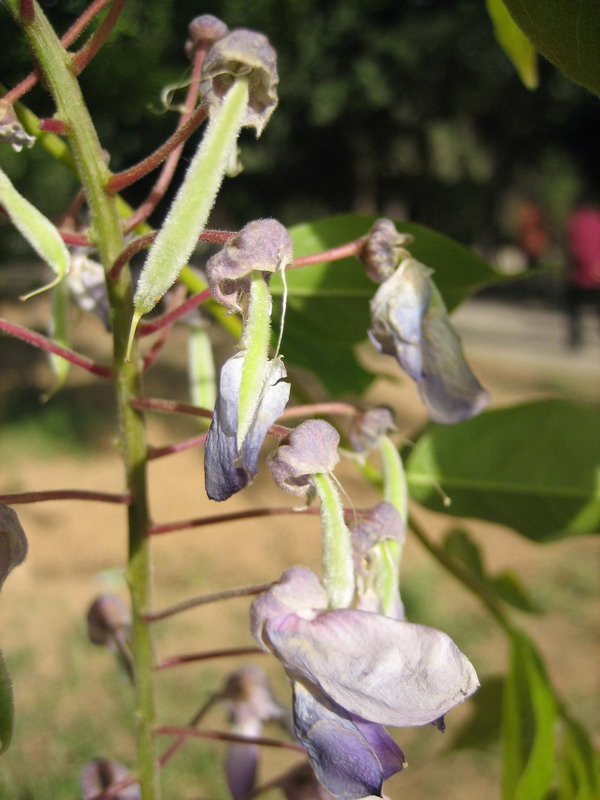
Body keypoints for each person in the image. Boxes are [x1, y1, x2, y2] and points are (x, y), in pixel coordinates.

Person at [565, 205, 600, 348]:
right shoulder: (597, 222)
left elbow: (573, 248)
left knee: (575, 309)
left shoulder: (575, 223)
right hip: (596, 273)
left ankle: (575, 338)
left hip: (579, 273)